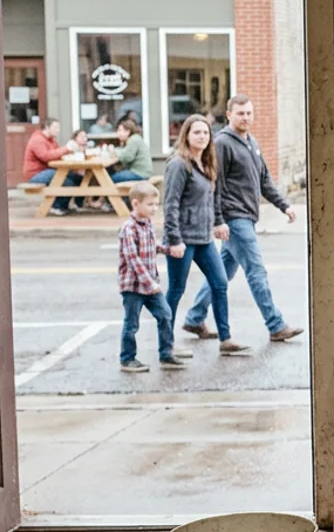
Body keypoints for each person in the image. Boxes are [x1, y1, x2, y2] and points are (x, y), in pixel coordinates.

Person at [181, 95, 304, 343]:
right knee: (256, 271)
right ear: (229, 115)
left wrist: (284, 206)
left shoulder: (251, 142)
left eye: (249, 113)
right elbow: (215, 183)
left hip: (246, 216)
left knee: (222, 273)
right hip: (234, 218)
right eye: (240, 113)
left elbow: (264, 180)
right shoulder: (223, 143)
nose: (245, 117)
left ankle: (194, 318)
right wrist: (218, 220)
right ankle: (275, 324)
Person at [163, 116, 248, 357]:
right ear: (186, 136)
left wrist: (218, 221)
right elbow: (170, 205)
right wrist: (174, 239)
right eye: (196, 132)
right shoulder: (179, 165)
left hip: (203, 238)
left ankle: (226, 338)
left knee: (220, 283)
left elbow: (214, 199)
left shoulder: (208, 164)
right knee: (176, 290)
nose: (202, 136)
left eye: (205, 133)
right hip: (183, 239)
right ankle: (166, 343)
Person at [118, 181, 184, 373]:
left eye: (156, 204)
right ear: (136, 204)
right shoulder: (129, 229)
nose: (155, 208)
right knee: (132, 324)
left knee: (165, 315)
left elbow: (152, 246)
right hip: (133, 286)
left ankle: (166, 353)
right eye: (150, 204)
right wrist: (150, 282)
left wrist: (167, 249)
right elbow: (133, 259)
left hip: (150, 285)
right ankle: (127, 358)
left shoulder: (147, 225)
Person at [23, 119, 78, 216]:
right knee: (63, 180)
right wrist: (66, 148)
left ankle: (64, 206)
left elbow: (57, 154)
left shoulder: (51, 140)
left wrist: (69, 153)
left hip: (47, 172)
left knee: (75, 177)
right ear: (47, 128)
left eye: (58, 128)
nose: (58, 130)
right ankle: (56, 206)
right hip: (35, 175)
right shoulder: (38, 140)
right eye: (56, 127)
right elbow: (46, 156)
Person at [111, 118, 153, 183]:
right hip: (141, 172)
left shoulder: (133, 140)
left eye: (120, 130)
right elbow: (124, 151)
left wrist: (115, 152)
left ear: (128, 131)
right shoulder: (134, 138)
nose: (118, 133)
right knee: (110, 174)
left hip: (140, 173)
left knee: (111, 179)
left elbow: (127, 157)